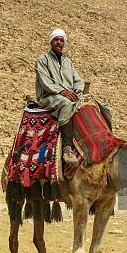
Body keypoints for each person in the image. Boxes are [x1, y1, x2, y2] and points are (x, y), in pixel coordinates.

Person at [35, 28, 84, 164]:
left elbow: (78, 80)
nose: (59, 42)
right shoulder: (42, 60)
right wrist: (62, 92)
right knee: (66, 104)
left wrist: (78, 91)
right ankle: (67, 149)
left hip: (69, 95)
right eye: (56, 39)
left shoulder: (68, 62)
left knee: (95, 105)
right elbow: (45, 83)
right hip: (49, 96)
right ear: (51, 41)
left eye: (61, 40)